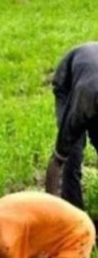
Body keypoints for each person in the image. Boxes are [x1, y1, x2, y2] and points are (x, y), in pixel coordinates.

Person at [45, 42, 98, 212]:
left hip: (90, 69)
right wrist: (50, 211)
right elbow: (57, 161)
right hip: (68, 82)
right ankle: (73, 215)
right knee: (72, 155)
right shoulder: (80, 107)